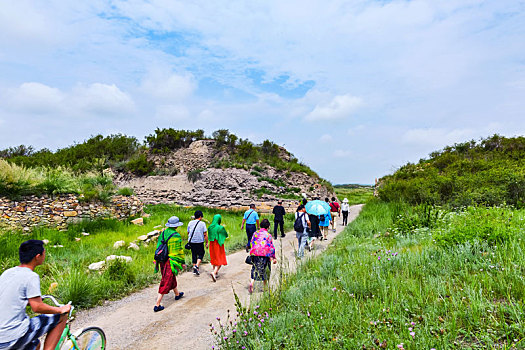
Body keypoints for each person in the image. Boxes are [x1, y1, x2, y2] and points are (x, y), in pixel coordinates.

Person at [0, 240, 71, 350]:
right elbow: (37, 307)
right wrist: (60, 309)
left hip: (1, 337)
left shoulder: (7, 273)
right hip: (12, 335)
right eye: (44, 253)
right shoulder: (31, 276)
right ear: (38, 256)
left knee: (35, 344)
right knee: (61, 317)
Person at [154, 216, 186, 312]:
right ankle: (157, 304)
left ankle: (177, 294)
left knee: (170, 277)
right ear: (176, 226)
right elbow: (178, 251)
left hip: (162, 259)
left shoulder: (163, 233)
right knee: (166, 279)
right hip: (170, 261)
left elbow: (158, 246)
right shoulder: (176, 235)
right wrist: (181, 262)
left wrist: (156, 259)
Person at [248, 219, 276, 293]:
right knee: (266, 270)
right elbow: (271, 247)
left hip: (255, 253)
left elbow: (251, 242)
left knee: (255, 268)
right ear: (268, 227)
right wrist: (273, 257)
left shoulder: (255, 233)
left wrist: (252, 251)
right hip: (264, 254)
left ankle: (251, 283)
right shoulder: (268, 235)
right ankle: (265, 287)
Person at [208, 214, 228, 282]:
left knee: (214, 257)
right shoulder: (220, 228)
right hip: (218, 245)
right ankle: (214, 272)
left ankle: (215, 272)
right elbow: (225, 235)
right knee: (220, 258)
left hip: (212, 244)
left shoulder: (210, 227)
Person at [187, 210, 208, 276]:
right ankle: (196, 266)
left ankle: (195, 269)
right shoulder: (202, 224)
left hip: (192, 241)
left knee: (194, 254)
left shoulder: (190, 223)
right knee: (201, 253)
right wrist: (207, 242)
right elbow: (205, 234)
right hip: (199, 241)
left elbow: (188, 232)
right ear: (200, 217)